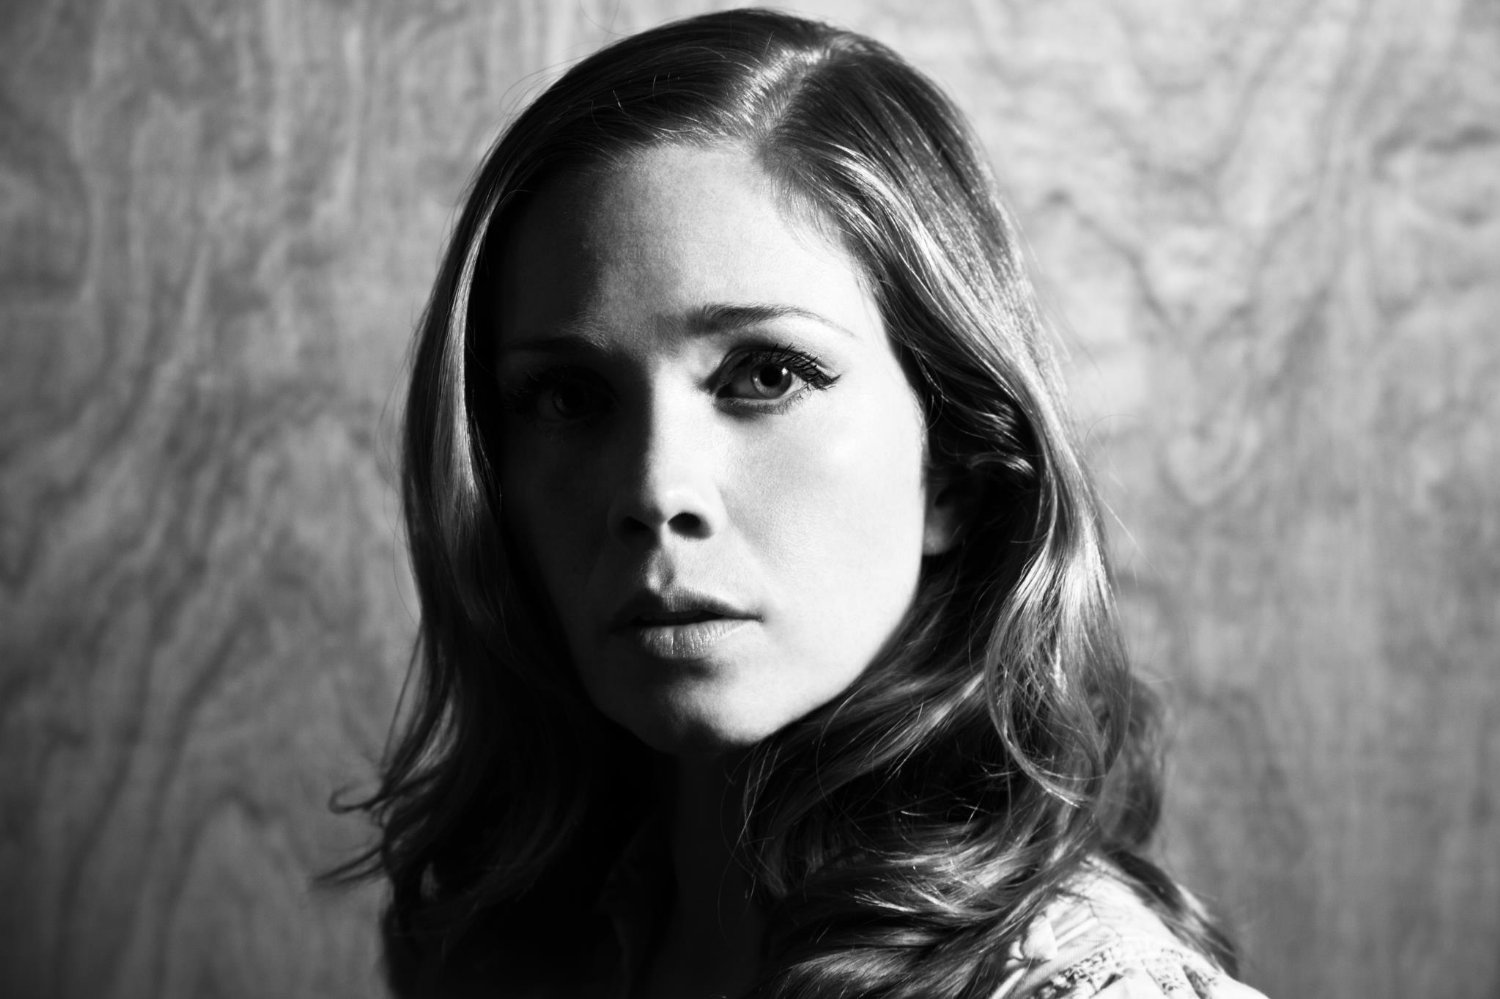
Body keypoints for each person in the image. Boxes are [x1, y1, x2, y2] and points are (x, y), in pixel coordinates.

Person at [334, 9, 1269, 999]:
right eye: (569, 397)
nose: (654, 489)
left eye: (768, 374)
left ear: (957, 467)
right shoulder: (507, 945)